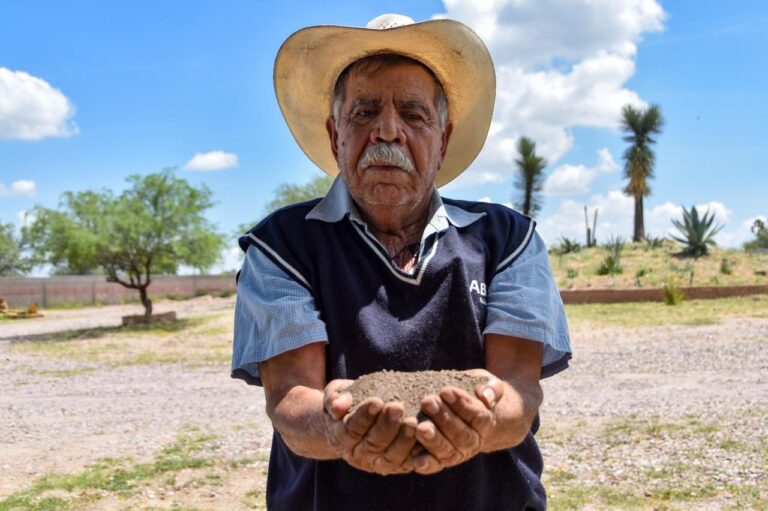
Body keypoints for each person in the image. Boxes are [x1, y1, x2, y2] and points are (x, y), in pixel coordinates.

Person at [232, 13, 571, 511]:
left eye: (413, 115)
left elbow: (519, 391)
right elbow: (289, 398)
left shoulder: (508, 239)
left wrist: (480, 424)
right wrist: (337, 423)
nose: (386, 131)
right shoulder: (282, 246)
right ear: (335, 136)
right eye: (364, 112)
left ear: (443, 140)